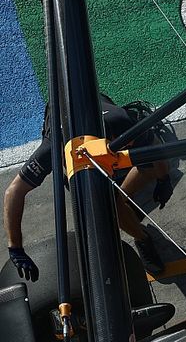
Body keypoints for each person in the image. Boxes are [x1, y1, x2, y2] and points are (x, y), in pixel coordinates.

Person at [5, 95, 171, 277]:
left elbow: (153, 146)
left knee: (147, 170)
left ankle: (121, 199)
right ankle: (142, 236)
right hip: (69, 139)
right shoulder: (54, 146)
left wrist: (163, 178)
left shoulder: (123, 122)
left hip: (98, 102)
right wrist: (15, 248)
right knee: (107, 204)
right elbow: (14, 191)